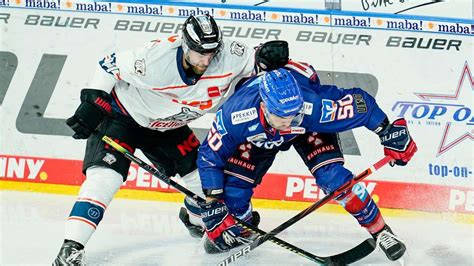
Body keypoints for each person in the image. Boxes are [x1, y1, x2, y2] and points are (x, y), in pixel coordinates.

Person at [53, 14, 289, 265]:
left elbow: (255, 59)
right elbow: (108, 66)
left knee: (204, 182)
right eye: (200, 53)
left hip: (169, 126)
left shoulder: (229, 53)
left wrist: (266, 54)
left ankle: (197, 223)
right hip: (122, 118)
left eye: (211, 52)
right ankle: (71, 248)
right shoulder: (154, 58)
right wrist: (93, 101)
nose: (206, 60)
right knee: (104, 179)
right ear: (185, 44)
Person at [188, 65, 417, 261]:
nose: (288, 123)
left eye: (292, 115)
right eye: (282, 117)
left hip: (308, 127)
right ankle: (243, 228)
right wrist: (213, 200)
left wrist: (388, 131)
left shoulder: (312, 107)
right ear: (265, 107)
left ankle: (381, 231)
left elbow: (362, 104)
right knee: (233, 193)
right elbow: (209, 155)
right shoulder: (236, 115)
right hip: (257, 137)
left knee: (335, 179)